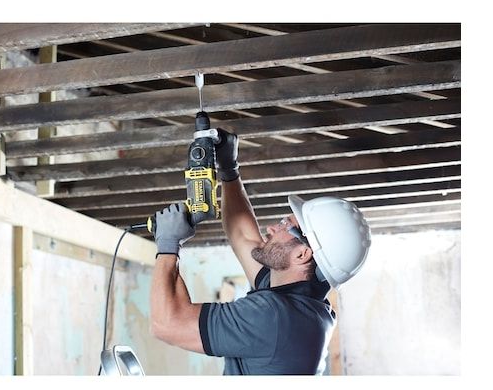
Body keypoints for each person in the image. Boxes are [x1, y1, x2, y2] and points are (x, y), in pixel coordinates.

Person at [149, 128, 371, 375]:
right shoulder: (301, 302)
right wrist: (229, 170)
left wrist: (168, 245)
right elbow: (243, 236)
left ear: (302, 254)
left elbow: (166, 324)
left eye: (285, 225)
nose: (272, 228)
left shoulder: (273, 317)